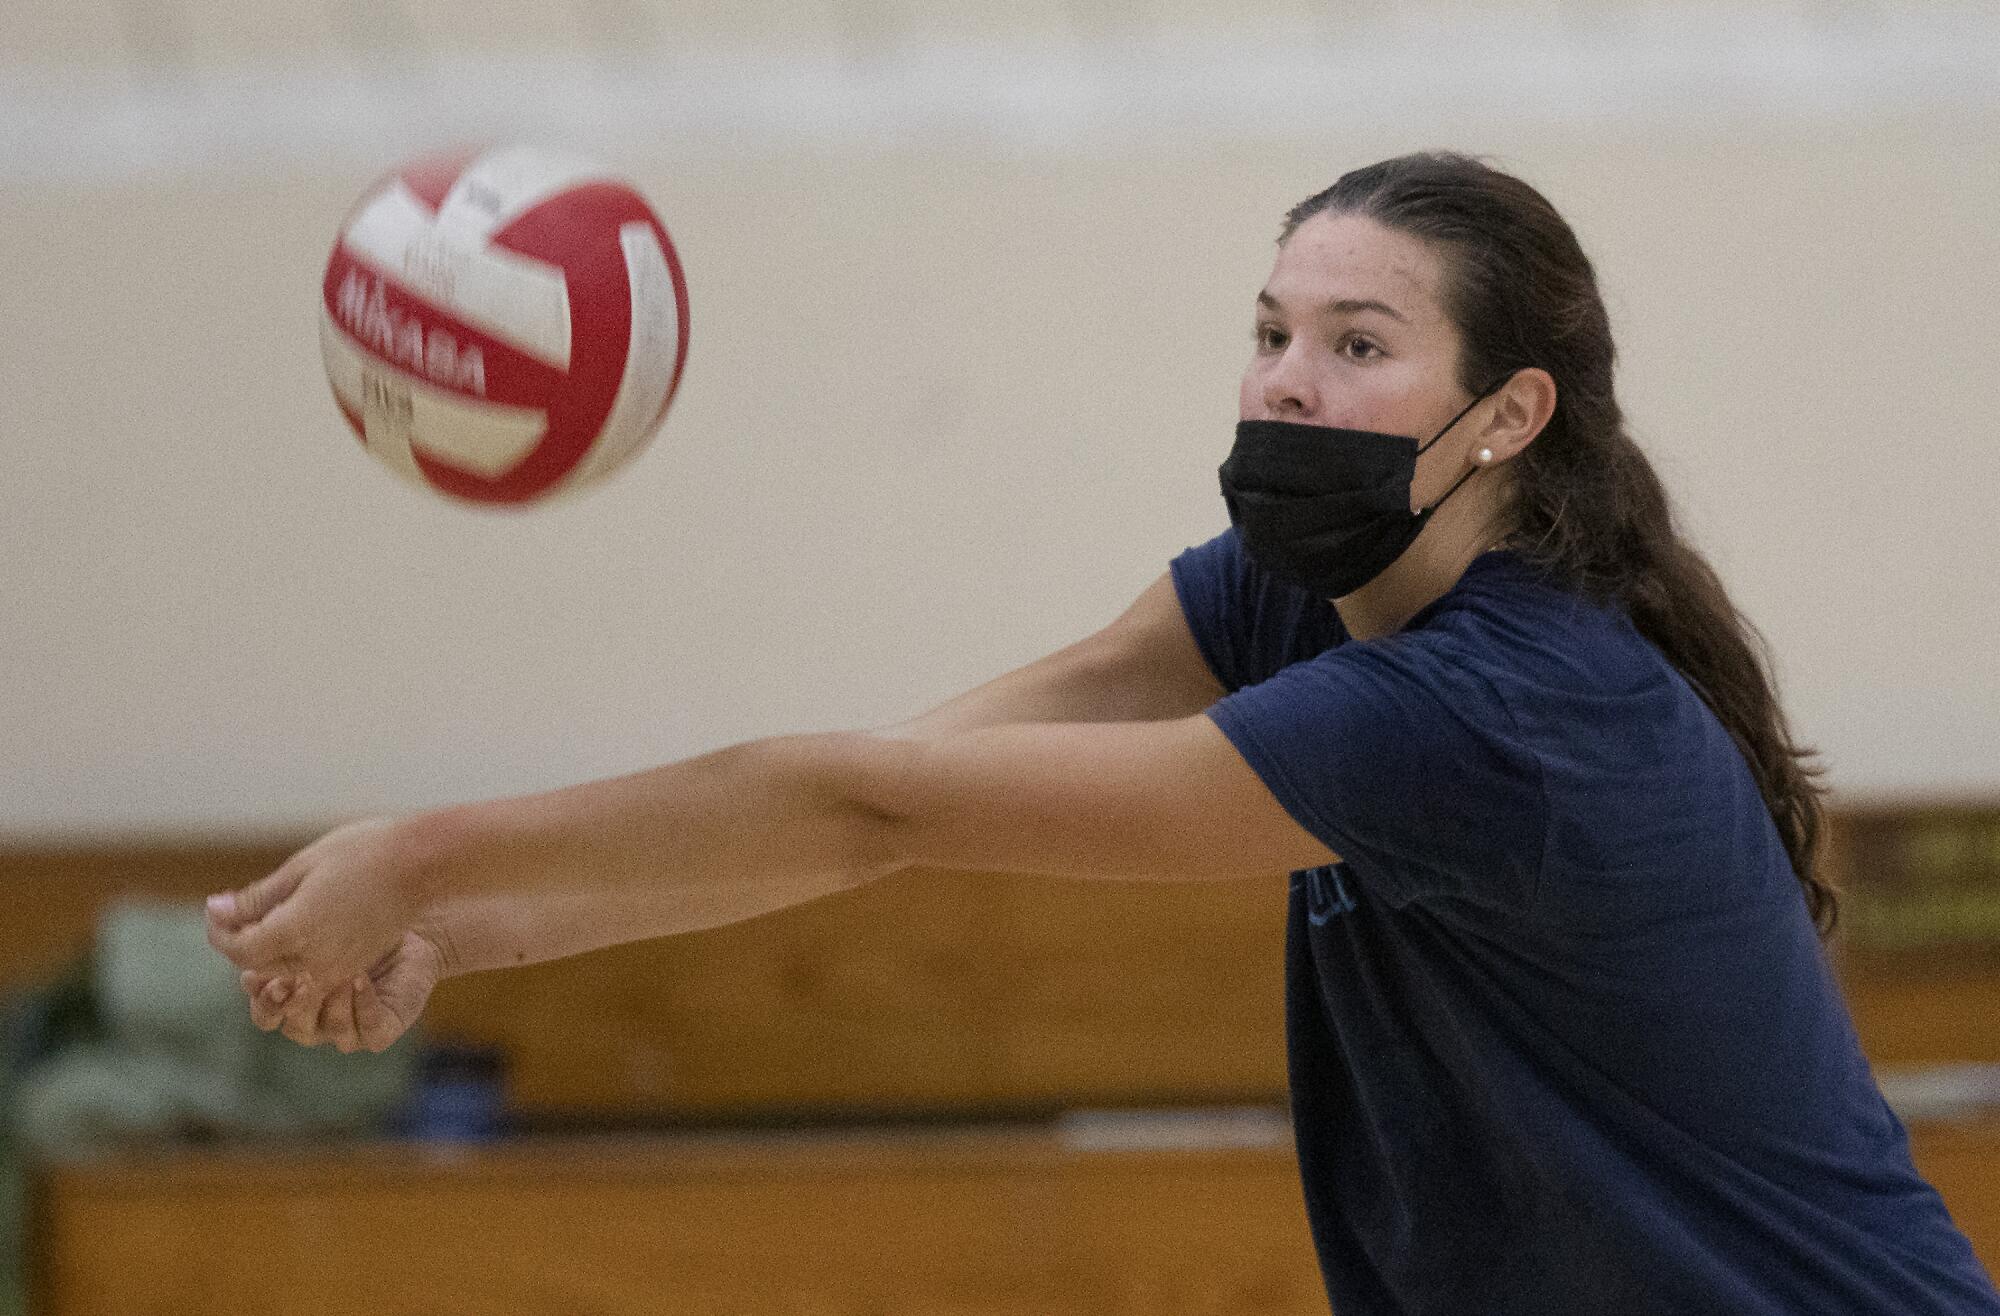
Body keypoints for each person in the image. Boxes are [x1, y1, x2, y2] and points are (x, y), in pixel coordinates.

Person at [207, 151, 2000, 1315]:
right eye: (1270, 329)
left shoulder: (1494, 715)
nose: (1290, 381)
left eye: (1360, 343)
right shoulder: (1298, 596)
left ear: (1509, 413)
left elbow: (865, 802)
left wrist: (423, 852)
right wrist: (468, 932)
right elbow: (878, 786)